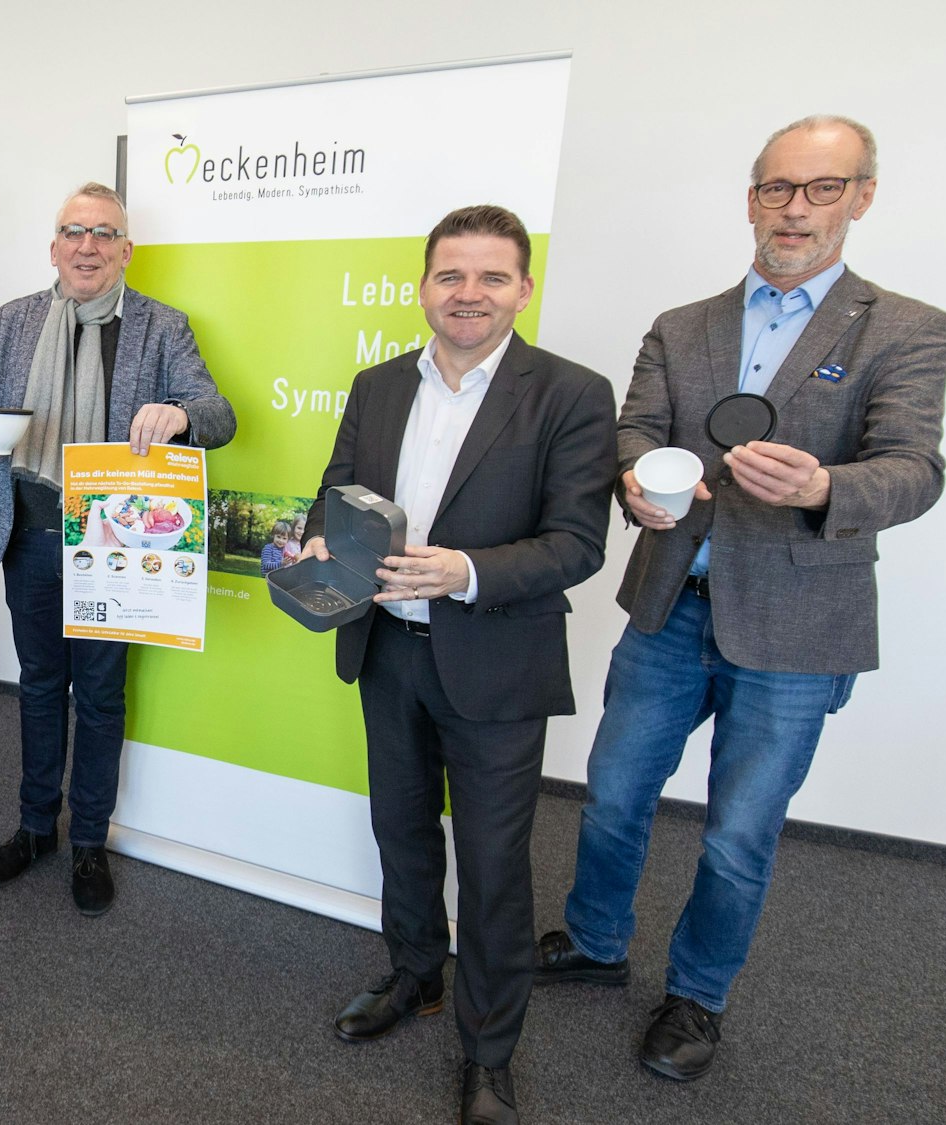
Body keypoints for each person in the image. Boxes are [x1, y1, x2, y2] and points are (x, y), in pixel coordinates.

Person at [537, 116, 946, 1081]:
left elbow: (914, 469)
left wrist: (823, 487)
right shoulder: (683, 325)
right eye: (777, 188)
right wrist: (634, 479)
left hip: (798, 626)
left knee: (737, 832)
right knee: (613, 796)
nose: (795, 208)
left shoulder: (907, 327)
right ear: (752, 199)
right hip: (669, 603)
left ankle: (698, 995)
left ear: (862, 196)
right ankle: (596, 941)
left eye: (821, 188)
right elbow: (635, 431)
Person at [304, 205, 616, 1125]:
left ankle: (488, 1050)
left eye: (491, 276)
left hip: (496, 662)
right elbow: (334, 492)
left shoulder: (571, 392)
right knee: (401, 830)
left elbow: (577, 542)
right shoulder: (377, 385)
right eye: (451, 275)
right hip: (386, 649)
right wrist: (319, 538)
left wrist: (466, 571)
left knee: (491, 864)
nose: (468, 293)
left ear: (523, 289)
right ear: (424, 287)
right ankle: (415, 974)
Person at [0, 182, 236, 916]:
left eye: (104, 233)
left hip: (114, 547)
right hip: (29, 537)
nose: (87, 245)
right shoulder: (15, 320)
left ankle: (89, 840)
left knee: (100, 697)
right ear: (54, 248)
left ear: (126, 251)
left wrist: (179, 414)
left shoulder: (162, 327)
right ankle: (35, 827)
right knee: (40, 685)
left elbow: (219, 414)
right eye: (74, 231)